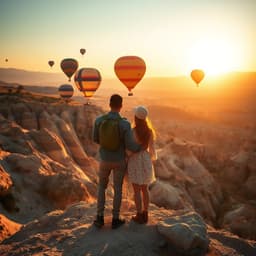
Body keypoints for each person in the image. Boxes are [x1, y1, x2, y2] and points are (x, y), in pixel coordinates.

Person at [93, 94, 141, 229]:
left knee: (101, 187)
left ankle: (99, 218)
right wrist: (140, 148)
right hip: (119, 160)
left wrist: (106, 145)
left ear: (109, 104)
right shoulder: (125, 123)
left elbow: (95, 139)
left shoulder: (99, 120)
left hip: (104, 159)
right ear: (121, 106)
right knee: (118, 189)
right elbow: (130, 145)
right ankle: (115, 219)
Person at [127, 106, 157, 224]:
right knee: (145, 189)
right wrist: (148, 158)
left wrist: (127, 157)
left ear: (135, 117)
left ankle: (139, 214)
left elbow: (129, 149)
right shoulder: (150, 132)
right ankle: (145, 214)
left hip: (135, 160)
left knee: (136, 190)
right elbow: (152, 151)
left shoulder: (132, 131)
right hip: (145, 159)